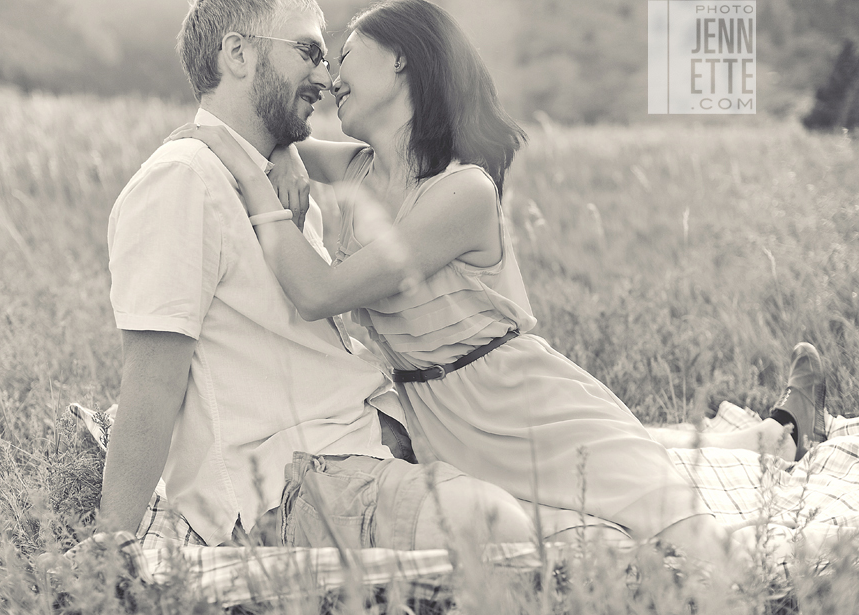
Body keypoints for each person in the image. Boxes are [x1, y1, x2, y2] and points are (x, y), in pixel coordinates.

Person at [177, 0, 827, 560]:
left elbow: (316, 291)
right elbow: (263, 134)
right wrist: (283, 153)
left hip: (521, 403)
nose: (330, 74)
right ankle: (774, 436)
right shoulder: (353, 168)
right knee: (591, 542)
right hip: (437, 421)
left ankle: (798, 477)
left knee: (708, 548)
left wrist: (261, 182)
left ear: (401, 59)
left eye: (346, 51)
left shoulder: (463, 191)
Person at [99, 0, 534, 552]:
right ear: (238, 53)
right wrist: (111, 542)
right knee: (499, 527)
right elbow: (151, 382)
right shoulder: (183, 181)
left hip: (360, 442)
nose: (326, 77)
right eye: (308, 51)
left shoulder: (278, 176)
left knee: (560, 501)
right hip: (296, 478)